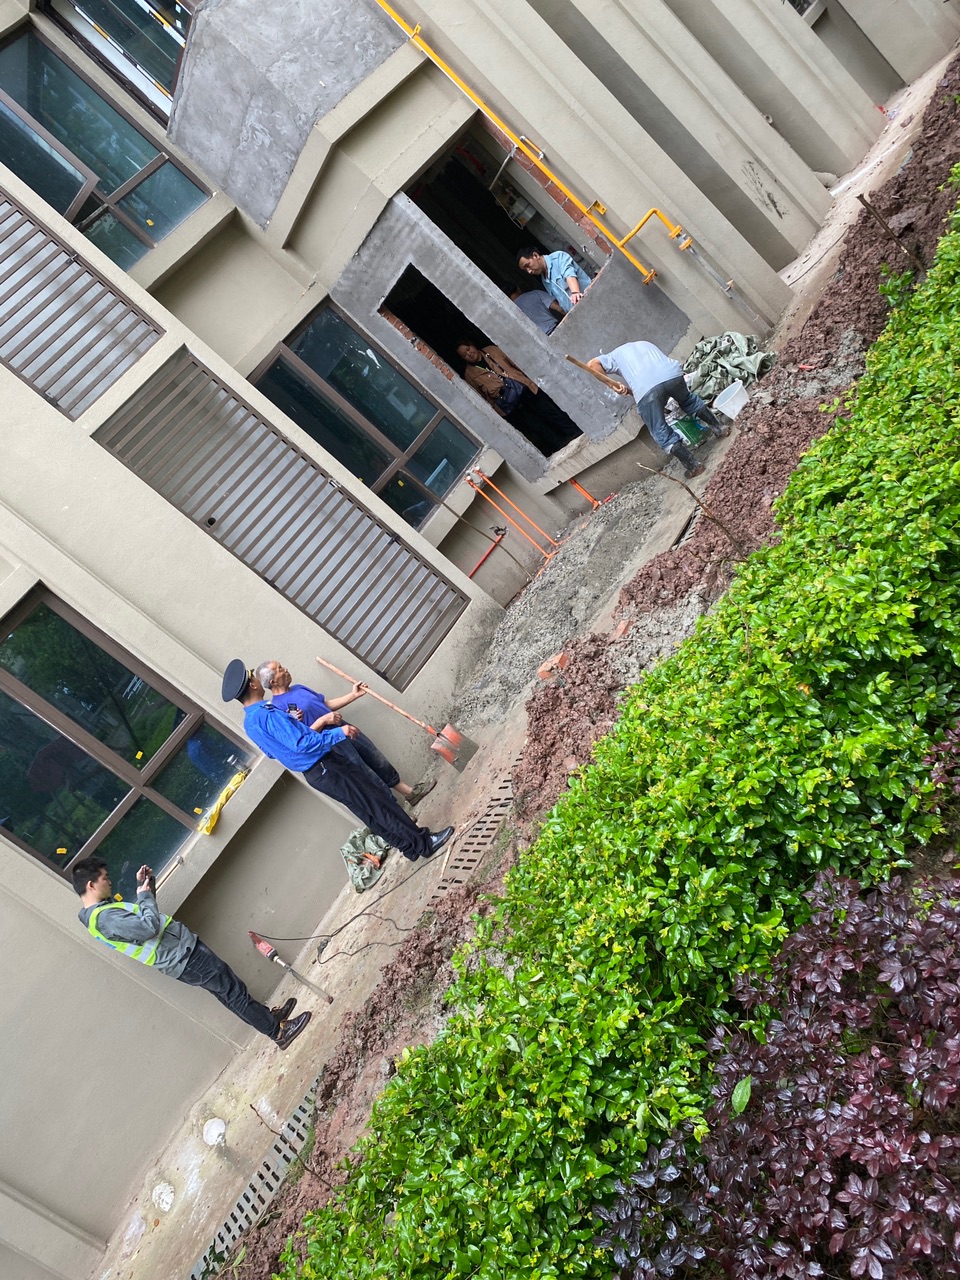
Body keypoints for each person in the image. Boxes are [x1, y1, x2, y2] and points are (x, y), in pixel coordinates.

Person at [223, 661, 453, 862]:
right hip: (326, 765)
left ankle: (408, 848)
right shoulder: (267, 713)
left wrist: (296, 727)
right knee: (378, 803)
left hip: (317, 774)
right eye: (254, 677)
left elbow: (273, 753)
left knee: (367, 812)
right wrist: (337, 732)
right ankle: (424, 843)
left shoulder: (250, 723)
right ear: (253, 685)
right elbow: (301, 743)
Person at [74, 857, 310, 1051]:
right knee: (233, 992)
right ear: (91, 885)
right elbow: (148, 927)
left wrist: (146, 888)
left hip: (179, 955)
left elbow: (143, 922)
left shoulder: (100, 914)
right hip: (183, 956)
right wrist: (144, 896)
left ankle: (268, 1019)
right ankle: (278, 1032)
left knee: (228, 992)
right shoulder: (106, 917)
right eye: (104, 878)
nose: (110, 881)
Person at [255, 659, 435, 806]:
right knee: (365, 774)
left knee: (376, 759)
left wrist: (353, 695)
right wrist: (322, 721)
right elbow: (301, 741)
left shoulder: (299, 688)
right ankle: (398, 813)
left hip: (343, 727)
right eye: (280, 669)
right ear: (273, 682)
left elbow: (325, 705)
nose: (286, 669)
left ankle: (410, 793)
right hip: (329, 743)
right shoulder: (277, 709)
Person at [586, 340, 730, 480]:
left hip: (647, 389)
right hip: (672, 374)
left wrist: (612, 385)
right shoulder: (643, 344)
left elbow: (592, 365)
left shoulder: (613, 356)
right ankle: (720, 428)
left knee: (658, 428)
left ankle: (694, 466)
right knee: (689, 400)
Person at [456, 340, 581, 456]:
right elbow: (481, 398)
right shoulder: (470, 375)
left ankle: (575, 432)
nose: (469, 354)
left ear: (472, 345)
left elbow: (515, 362)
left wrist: (529, 378)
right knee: (537, 426)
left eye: (468, 349)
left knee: (550, 411)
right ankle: (561, 445)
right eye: (464, 355)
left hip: (525, 387)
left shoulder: (491, 350)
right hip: (510, 404)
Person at [516, 247, 592, 313]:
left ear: (535, 255)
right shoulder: (544, 280)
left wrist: (575, 293)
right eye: (525, 270)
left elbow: (570, 275)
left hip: (589, 298)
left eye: (528, 265)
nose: (529, 271)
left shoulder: (558, 257)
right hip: (579, 313)